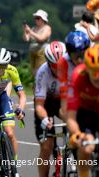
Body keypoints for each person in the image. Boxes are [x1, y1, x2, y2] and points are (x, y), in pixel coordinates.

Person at [66, 44, 99, 177]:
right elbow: (70, 117)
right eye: (96, 72)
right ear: (87, 69)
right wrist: (77, 135)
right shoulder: (78, 76)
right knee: (86, 148)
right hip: (85, 112)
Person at [34, 41, 66, 177]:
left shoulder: (71, 68)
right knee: (46, 147)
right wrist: (45, 119)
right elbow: (39, 105)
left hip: (63, 101)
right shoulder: (43, 72)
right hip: (46, 104)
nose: (58, 69)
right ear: (48, 63)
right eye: (54, 66)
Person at [57, 31, 90, 117]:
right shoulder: (63, 62)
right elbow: (64, 93)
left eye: (82, 55)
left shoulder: (95, 57)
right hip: (74, 94)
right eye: (76, 56)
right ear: (68, 53)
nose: (80, 60)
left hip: (93, 94)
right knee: (63, 112)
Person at [23, 9, 52, 75]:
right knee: (33, 72)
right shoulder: (34, 28)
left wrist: (30, 32)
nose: (36, 20)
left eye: (38, 18)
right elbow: (26, 39)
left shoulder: (47, 28)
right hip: (32, 52)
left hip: (41, 51)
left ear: (43, 19)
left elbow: (42, 38)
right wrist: (25, 30)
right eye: (35, 18)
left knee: (40, 71)